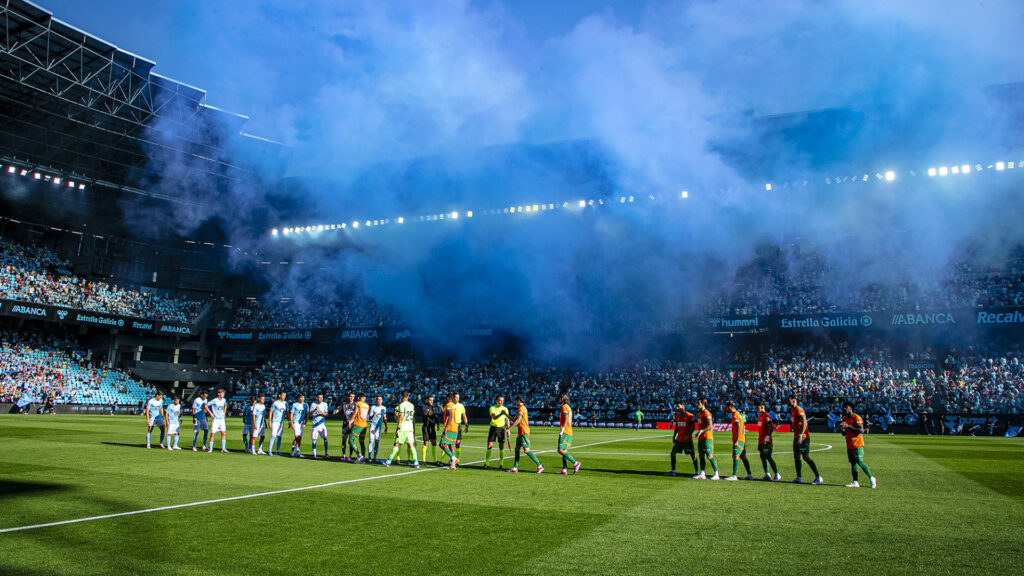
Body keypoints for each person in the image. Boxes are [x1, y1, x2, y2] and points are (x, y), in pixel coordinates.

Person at [839, 401, 876, 488]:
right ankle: (855, 481)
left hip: (857, 443)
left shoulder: (856, 417)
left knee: (860, 462)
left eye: (846, 407)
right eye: (843, 407)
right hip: (849, 443)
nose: (844, 408)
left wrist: (848, 427)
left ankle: (871, 478)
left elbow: (861, 430)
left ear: (851, 408)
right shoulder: (844, 419)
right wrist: (843, 429)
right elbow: (843, 434)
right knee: (853, 463)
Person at [787, 396, 823, 485]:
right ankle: (799, 477)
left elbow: (804, 422)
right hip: (796, 436)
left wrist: (800, 435)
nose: (787, 402)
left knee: (805, 457)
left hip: (803, 436)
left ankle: (818, 477)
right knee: (796, 456)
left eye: (789, 401)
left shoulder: (799, 410)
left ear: (794, 400)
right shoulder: (793, 411)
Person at [382, 391, 419, 468]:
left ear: (402, 397)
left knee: (397, 444)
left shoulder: (401, 405)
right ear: (407, 397)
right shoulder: (411, 405)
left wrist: (398, 428)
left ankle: (388, 461)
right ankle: (416, 463)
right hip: (410, 428)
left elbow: (401, 417)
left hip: (403, 428)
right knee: (411, 445)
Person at [507, 396, 543, 474]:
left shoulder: (522, 408)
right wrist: (505, 415)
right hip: (520, 432)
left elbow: (519, 420)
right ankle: (515, 468)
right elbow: (514, 419)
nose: (515, 403)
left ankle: (540, 465)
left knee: (526, 450)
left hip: (524, 431)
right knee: (517, 449)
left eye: (516, 401)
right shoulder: (520, 409)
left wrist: (509, 428)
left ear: (519, 401)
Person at [665, 402, 697, 477]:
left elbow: (693, 428)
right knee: (673, 453)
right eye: (677, 406)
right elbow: (676, 427)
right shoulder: (677, 416)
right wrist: (673, 436)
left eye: (678, 406)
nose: (677, 408)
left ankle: (697, 472)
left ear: (683, 406)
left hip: (687, 440)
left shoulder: (690, 415)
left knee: (692, 455)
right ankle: (673, 471)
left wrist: (688, 436)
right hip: (679, 439)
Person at [724, 402, 753, 481]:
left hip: (738, 439)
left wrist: (736, 440)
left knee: (735, 456)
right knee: (743, 457)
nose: (726, 409)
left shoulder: (736, 415)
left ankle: (734, 475)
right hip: (742, 439)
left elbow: (739, 427)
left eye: (726, 407)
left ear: (730, 407)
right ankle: (749, 474)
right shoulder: (737, 415)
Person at [692, 398, 719, 480]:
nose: (697, 405)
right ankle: (702, 473)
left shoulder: (706, 413)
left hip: (707, 437)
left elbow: (710, 426)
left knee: (710, 456)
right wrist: (698, 433)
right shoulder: (699, 414)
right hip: (701, 438)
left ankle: (716, 474)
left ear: (703, 404)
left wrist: (701, 431)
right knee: (701, 456)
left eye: (698, 403)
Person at [556, 394, 581, 475]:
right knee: (564, 451)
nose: (559, 399)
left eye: (560, 398)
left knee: (560, 450)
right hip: (569, 431)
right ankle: (564, 470)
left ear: (563, 399)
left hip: (565, 431)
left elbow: (566, 418)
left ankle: (575, 463)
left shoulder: (564, 407)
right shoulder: (568, 407)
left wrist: (562, 430)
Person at [756, 402, 781, 481]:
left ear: (762, 407)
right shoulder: (760, 416)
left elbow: (770, 427)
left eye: (758, 407)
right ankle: (767, 474)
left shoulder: (766, 416)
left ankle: (777, 474)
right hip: (760, 440)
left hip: (766, 440)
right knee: (762, 456)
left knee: (768, 457)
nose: (756, 409)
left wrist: (767, 437)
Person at [484, 395, 510, 470]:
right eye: (499, 400)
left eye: (502, 400)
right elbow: (493, 417)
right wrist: (501, 413)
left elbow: (507, 420)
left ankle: (501, 464)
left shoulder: (505, 409)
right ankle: (487, 463)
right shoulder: (492, 408)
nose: (501, 402)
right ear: (496, 400)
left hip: (501, 429)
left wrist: (508, 430)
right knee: (489, 445)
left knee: (501, 446)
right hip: (493, 428)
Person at [437, 394, 460, 469]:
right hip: (455, 428)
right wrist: (442, 410)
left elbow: (450, 415)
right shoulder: (453, 405)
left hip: (450, 427)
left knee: (442, 444)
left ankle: (453, 458)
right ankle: (453, 465)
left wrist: (446, 428)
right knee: (451, 445)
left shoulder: (448, 405)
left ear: (448, 398)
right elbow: (450, 413)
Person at [347, 393, 370, 463]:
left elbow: (356, 412)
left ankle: (359, 455)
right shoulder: (367, 405)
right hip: (364, 425)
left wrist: (350, 420)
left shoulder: (358, 403)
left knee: (350, 440)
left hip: (358, 424)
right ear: (364, 398)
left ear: (358, 397)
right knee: (362, 442)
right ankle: (363, 459)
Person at [336, 393, 357, 462]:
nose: (351, 398)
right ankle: (343, 455)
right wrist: (336, 410)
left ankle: (350, 455)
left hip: (352, 426)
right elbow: (339, 408)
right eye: (350, 396)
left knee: (351, 441)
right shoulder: (344, 404)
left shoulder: (356, 405)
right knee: (344, 440)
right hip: (345, 425)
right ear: (348, 397)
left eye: (352, 397)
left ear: (354, 397)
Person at [207, 389, 229, 453]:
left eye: (223, 393)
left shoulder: (224, 400)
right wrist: (210, 413)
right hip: (216, 419)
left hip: (222, 419)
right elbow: (206, 405)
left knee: (223, 433)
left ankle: (223, 448)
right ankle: (210, 448)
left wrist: (224, 412)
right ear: (219, 394)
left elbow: (225, 405)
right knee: (213, 434)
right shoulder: (215, 400)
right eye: (222, 393)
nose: (223, 395)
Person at [420, 395, 440, 465]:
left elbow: (436, 416)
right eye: (430, 400)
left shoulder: (433, 407)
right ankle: (423, 461)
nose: (431, 401)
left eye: (432, 400)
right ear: (427, 400)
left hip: (432, 427)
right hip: (426, 427)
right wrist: (433, 411)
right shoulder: (424, 407)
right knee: (426, 443)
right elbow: (426, 414)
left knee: (434, 443)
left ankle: (435, 460)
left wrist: (438, 424)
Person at [309, 393, 330, 459]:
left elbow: (326, 414)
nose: (319, 399)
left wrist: (321, 413)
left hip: (322, 424)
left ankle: (326, 453)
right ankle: (314, 454)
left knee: (325, 438)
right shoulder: (313, 404)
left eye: (321, 397)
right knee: (314, 440)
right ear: (316, 398)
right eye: (318, 397)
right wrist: (315, 409)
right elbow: (310, 415)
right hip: (315, 425)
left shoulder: (324, 404)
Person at [367, 396, 387, 461]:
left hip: (379, 428)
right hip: (373, 426)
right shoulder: (373, 407)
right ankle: (369, 457)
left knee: (377, 442)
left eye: (380, 399)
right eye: (377, 399)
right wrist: (373, 415)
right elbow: (369, 418)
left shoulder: (383, 408)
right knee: (371, 441)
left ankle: (375, 457)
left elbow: (384, 418)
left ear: (382, 401)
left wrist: (386, 426)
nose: (379, 401)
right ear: (376, 401)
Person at [269, 391, 288, 456]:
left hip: (281, 422)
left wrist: (288, 420)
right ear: (280, 395)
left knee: (279, 437)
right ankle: (269, 451)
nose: (284, 397)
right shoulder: (275, 403)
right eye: (283, 395)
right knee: (273, 436)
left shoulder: (286, 403)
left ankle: (277, 450)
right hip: (275, 422)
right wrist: (269, 421)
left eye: (285, 395)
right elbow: (271, 411)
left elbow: (286, 412)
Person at [452, 392, 469, 463]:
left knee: (458, 443)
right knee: (450, 443)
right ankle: (451, 459)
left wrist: (466, 425)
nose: (458, 399)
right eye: (456, 397)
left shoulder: (461, 405)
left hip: (458, 425)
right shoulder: (449, 405)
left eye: (458, 397)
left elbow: (464, 415)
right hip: (451, 426)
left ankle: (457, 461)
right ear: (453, 397)